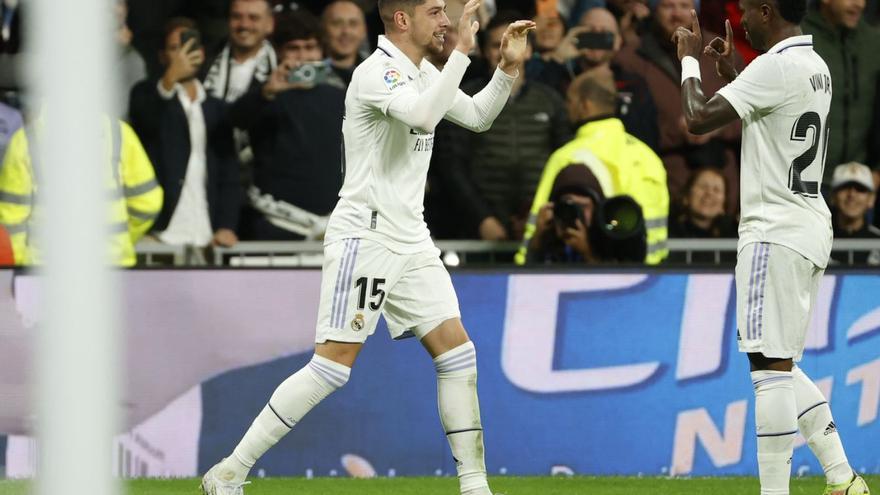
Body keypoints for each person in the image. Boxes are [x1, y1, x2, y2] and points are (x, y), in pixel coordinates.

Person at [200, 2, 535, 495]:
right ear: (403, 19)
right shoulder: (377, 73)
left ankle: (474, 485)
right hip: (367, 237)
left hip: (412, 238)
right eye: (435, 11)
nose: (445, 21)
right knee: (331, 368)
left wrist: (506, 69)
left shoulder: (422, 71)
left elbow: (479, 117)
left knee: (458, 354)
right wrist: (463, 51)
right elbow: (423, 118)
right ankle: (229, 472)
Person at [672, 1, 869, 493]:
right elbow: (778, 114)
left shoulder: (775, 68)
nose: (740, 22)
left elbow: (696, 119)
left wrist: (688, 60)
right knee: (778, 363)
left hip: (772, 230)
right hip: (808, 227)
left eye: (748, 13)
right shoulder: (814, 64)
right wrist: (735, 72)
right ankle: (842, 479)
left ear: (767, 11)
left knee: (768, 369)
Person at [430, 10, 571, 242]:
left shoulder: (551, 101)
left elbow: (564, 162)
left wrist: (543, 215)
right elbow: (451, 167)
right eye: (497, 45)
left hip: (540, 225)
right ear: (485, 52)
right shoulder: (463, 96)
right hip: (479, 230)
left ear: (529, 51)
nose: (506, 51)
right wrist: (482, 218)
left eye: (516, 43)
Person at [518, 68, 669, 264]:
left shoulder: (568, 157)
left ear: (584, 105)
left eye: (569, 101)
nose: (566, 107)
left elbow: (538, 223)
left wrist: (523, 265)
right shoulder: (648, 156)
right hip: (656, 279)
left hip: (597, 273)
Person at [616, 0, 742, 214]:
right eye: (668, 6)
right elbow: (623, 128)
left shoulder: (723, 51)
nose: (677, 14)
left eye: (685, 6)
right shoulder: (630, 59)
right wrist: (675, 130)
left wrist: (718, 126)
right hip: (665, 187)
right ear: (654, 11)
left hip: (725, 193)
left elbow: (753, 110)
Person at [231, 9, 346, 241]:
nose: (303, 56)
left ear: (322, 51)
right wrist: (266, 93)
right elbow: (232, 121)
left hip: (335, 225)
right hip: (276, 222)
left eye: (310, 47)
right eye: (294, 48)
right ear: (279, 52)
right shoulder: (264, 93)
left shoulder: (343, 96)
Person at [129, 18, 241, 250]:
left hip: (208, 235)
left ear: (201, 52)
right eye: (174, 48)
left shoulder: (216, 107)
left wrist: (227, 225)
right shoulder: (147, 94)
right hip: (161, 234)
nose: (183, 54)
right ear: (162, 56)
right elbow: (146, 121)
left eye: (189, 46)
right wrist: (170, 78)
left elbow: (229, 171)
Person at [0, 119, 162, 267]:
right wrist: (123, 238)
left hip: (46, 270)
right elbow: (148, 203)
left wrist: (23, 267)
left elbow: (11, 219)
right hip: (112, 267)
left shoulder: (25, 140)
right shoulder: (119, 133)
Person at [529, 7, 659, 149]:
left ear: (617, 41)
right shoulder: (561, 79)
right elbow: (534, 101)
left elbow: (648, 136)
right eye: (589, 33)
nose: (596, 40)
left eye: (604, 34)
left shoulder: (633, 84)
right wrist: (558, 59)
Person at [802, 0, 880, 187]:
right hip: (805, 182)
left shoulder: (873, 43)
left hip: (858, 182)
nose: (860, 4)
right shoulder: (799, 37)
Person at [527, 163, 607, 263]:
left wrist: (587, 253)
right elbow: (529, 276)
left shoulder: (607, 242)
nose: (576, 213)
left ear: (596, 210)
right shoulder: (547, 240)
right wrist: (538, 238)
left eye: (583, 207)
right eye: (569, 206)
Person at [203, 0, 277, 103]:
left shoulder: (281, 66)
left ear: (270, 24)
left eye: (253, 18)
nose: (244, 25)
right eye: (237, 17)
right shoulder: (203, 60)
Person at [828, 162, 880, 265]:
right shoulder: (818, 240)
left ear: (871, 199)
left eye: (860, 189)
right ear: (832, 196)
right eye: (844, 187)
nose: (852, 194)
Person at [669, 166, 737, 238]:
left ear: (724, 204)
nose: (709, 193)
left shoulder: (735, 236)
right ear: (686, 196)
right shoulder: (667, 230)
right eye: (703, 187)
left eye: (716, 190)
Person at [322, 0, 369, 86]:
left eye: (353, 24)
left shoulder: (378, 71)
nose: (346, 31)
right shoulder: (309, 76)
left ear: (364, 31)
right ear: (323, 30)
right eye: (337, 23)